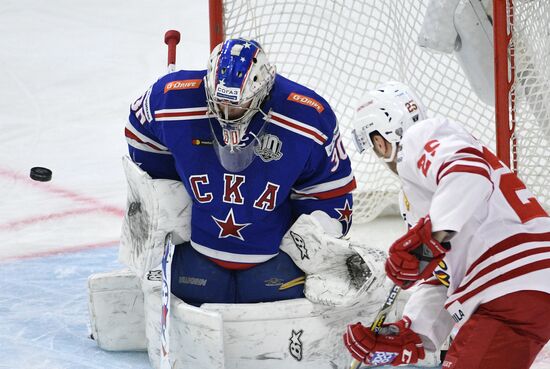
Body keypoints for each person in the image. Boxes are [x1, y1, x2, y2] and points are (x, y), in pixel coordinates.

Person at [124, 38, 356, 305]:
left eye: (236, 105)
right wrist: (168, 190)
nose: (226, 113)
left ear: (263, 91)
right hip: (196, 255)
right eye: (219, 102)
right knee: (198, 280)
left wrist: (310, 246)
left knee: (266, 290)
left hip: (274, 263)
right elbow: (139, 132)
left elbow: (330, 191)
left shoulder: (308, 117)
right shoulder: (172, 98)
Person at [343, 81, 550, 369]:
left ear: (380, 140)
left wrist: (429, 242)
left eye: (375, 147)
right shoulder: (427, 197)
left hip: (509, 281)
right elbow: (441, 277)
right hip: (516, 291)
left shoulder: (420, 138)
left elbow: (469, 174)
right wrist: (411, 334)